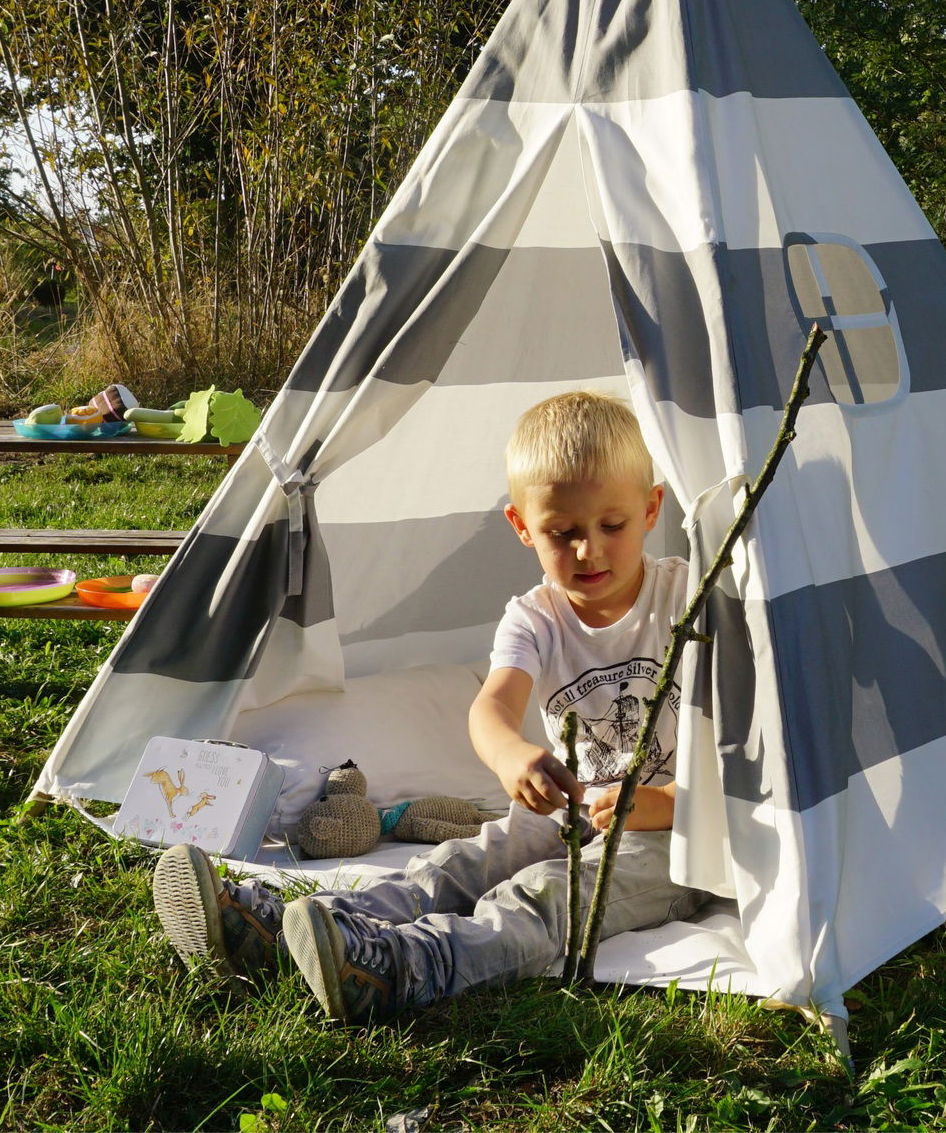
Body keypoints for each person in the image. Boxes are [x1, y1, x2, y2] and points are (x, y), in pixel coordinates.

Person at [150, 389, 710, 1021]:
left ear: (652, 509)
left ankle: (401, 968)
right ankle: (281, 930)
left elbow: (751, 741)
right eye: (563, 532)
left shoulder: (691, 597)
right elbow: (492, 706)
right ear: (523, 528)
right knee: (455, 866)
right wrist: (514, 758)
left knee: (546, 897)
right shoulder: (535, 617)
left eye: (613, 525)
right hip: (568, 812)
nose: (590, 551)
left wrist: (665, 804)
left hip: (677, 839)